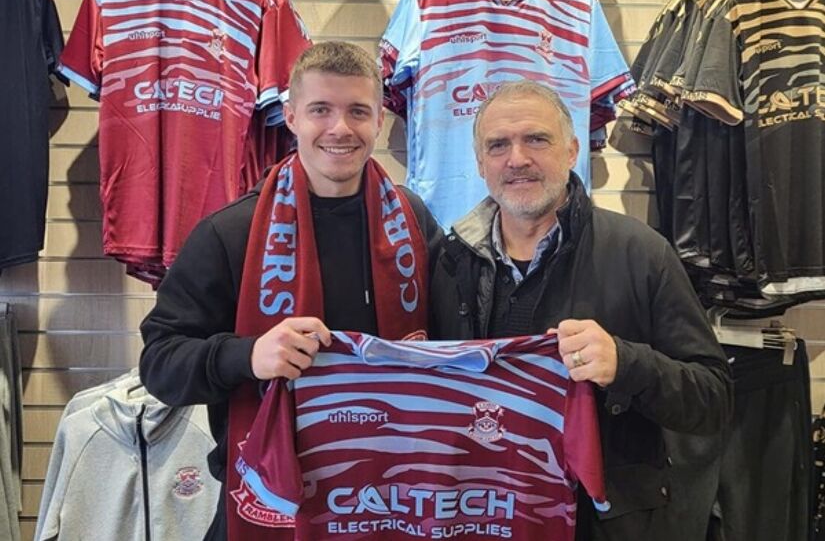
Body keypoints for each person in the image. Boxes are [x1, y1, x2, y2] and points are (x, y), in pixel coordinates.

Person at [139, 41, 441, 540]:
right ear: (290, 116)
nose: (340, 129)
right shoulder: (228, 233)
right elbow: (160, 365)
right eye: (321, 110)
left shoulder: (414, 221)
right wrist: (248, 355)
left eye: (358, 112)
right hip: (268, 501)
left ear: (380, 122)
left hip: (394, 496)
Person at [429, 80, 732, 540]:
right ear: (479, 164)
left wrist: (627, 364)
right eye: (498, 145)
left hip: (602, 521)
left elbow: (713, 400)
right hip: (484, 512)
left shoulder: (642, 253)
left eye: (536, 139)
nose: (517, 159)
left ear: (572, 151)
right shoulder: (449, 260)